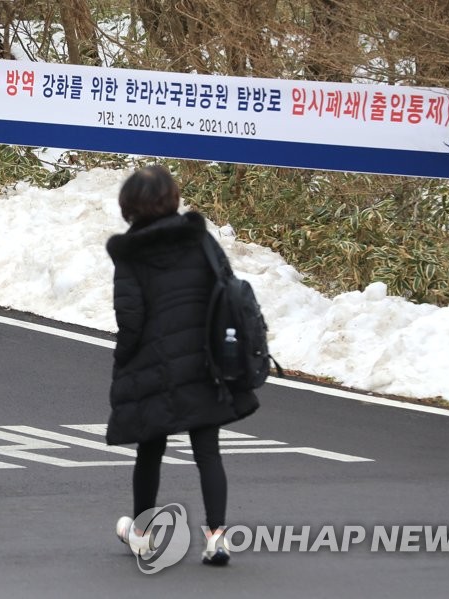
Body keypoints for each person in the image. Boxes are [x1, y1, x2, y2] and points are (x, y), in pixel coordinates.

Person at [105, 165, 259, 566]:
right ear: (172, 199)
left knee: (150, 449)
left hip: (155, 366)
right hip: (205, 361)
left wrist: (124, 363)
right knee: (208, 450)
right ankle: (217, 538)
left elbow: (130, 320)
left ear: (130, 206)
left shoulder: (131, 255)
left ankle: (141, 533)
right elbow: (225, 289)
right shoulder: (201, 240)